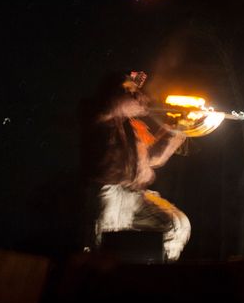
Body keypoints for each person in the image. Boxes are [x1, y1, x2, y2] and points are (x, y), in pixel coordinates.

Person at [80, 71, 190, 262]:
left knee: (176, 224)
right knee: (106, 248)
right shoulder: (98, 114)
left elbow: (154, 159)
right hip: (109, 192)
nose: (137, 95)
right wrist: (132, 97)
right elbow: (115, 107)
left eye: (134, 91)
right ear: (113, 92)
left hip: (136, 194)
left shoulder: (132, 127)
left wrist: (178, 127)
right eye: (129, 91)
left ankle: (156, 273)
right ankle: (101, 284)